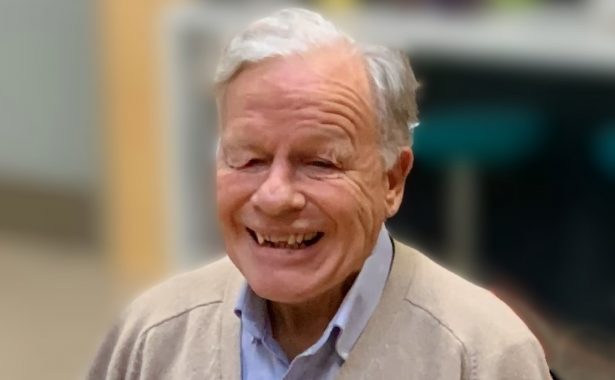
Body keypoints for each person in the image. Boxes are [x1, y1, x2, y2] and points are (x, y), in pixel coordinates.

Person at [88, 8, 551, 380]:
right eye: (248, 159)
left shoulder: (483, 356)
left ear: (392, 180)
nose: (274, 196)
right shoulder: (153, 336)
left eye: (320, 163)